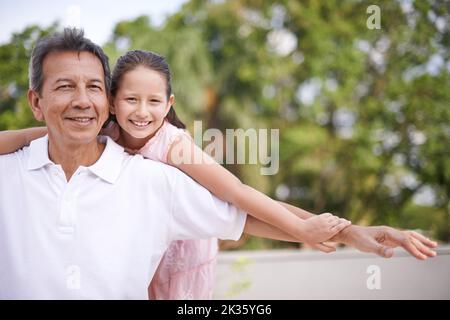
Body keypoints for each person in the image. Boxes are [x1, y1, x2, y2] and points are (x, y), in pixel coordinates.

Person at [0, 28, 437, 299]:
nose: (141, 112)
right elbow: (42, 133)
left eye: (154, 102)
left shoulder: (173, 151)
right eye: (130, 100)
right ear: (113, 105)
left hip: (186, 257)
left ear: (169, 104)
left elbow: (243, 202)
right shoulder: (90, 133)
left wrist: (336, 231)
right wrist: (48, 131)